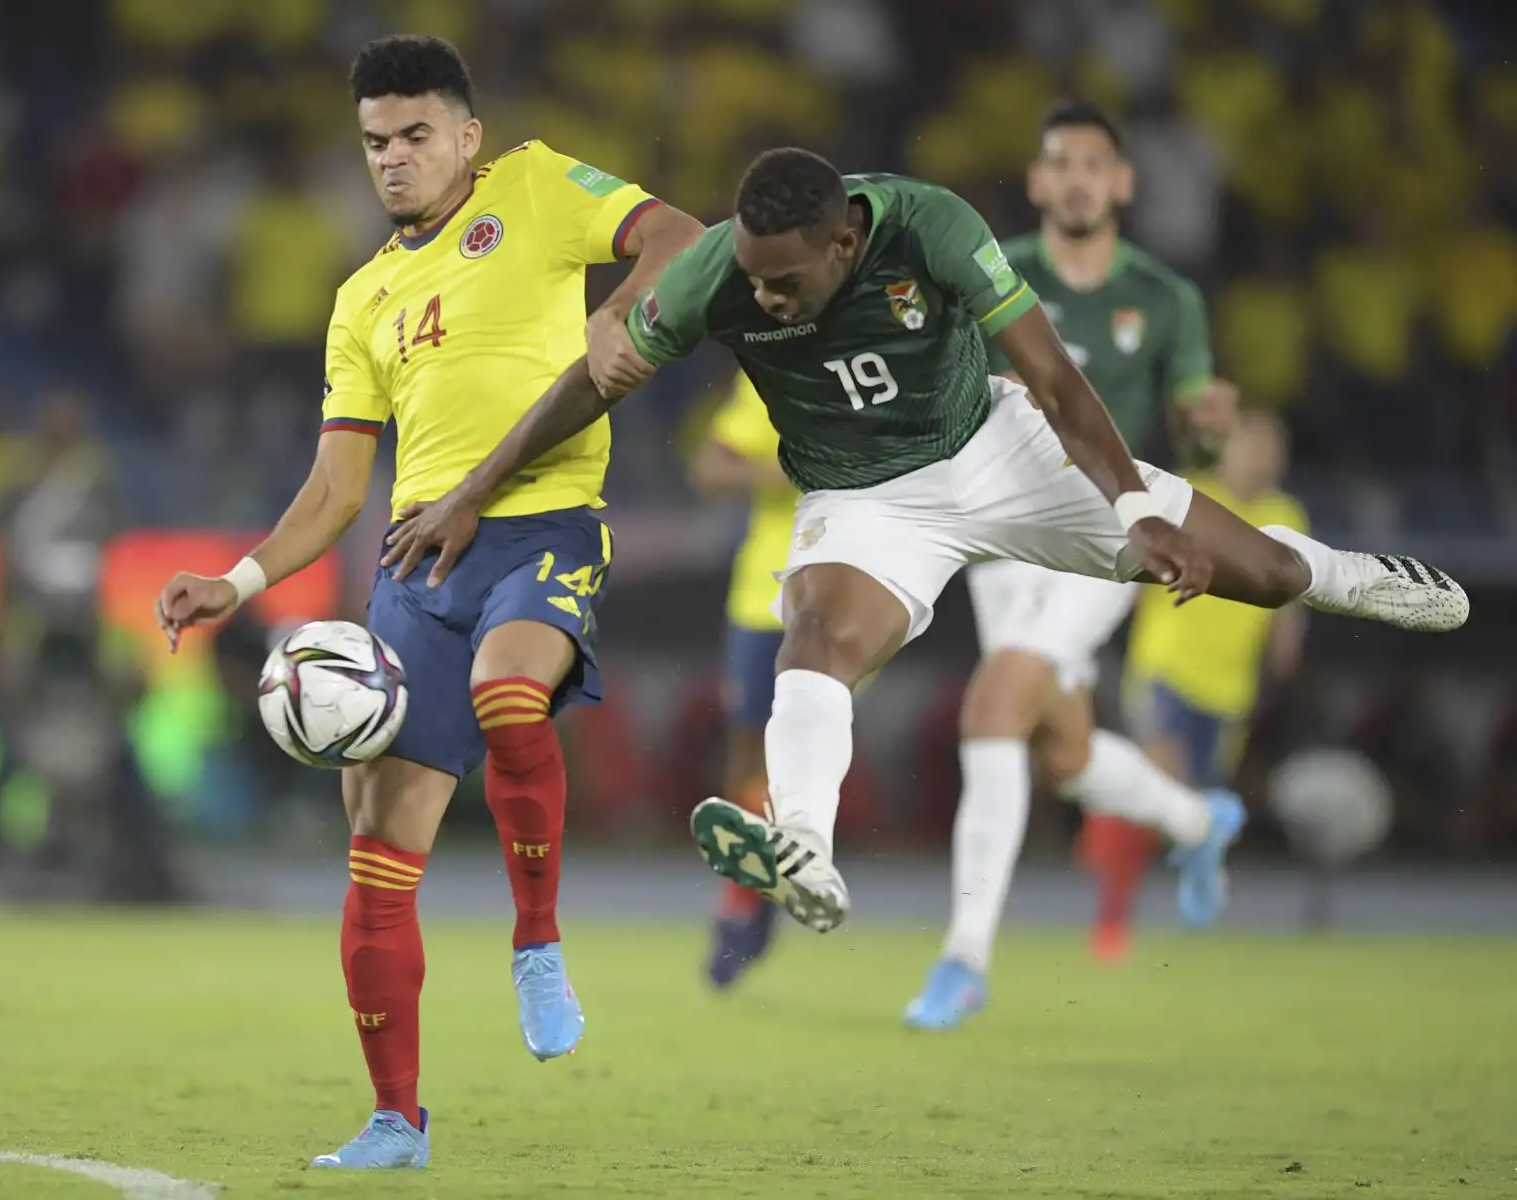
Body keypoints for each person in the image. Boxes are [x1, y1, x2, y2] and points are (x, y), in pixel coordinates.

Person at [382, 146, 1467, 985]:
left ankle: (1355, 577)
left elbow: (1050, 375)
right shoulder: (718, 272)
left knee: (1267, 575)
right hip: (863, 500)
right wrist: (471, 495)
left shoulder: (932, 225)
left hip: (1002, 452)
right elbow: (585, 384)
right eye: (750, 283)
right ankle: (802, 841)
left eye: (784, 282)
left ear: (846, 245)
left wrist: (1132, 505)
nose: (760, 300)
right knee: (818, 638)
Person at [152, 36, 703, 1170]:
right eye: (373, 144)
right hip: (417, 566)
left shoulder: (540, 185)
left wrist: (628, 315)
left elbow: (680, 239)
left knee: (512, 692)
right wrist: (242, 580)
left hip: (545, 526)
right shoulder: (363, 299)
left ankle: (537, 941)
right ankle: (397, 1120)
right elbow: (337, 489)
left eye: (413, 136)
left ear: (466, 134)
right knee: (377, 845)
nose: (393, 160)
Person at [919, 100, 1242, 1027]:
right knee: (1058, 750)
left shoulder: (1167, 298)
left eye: (1093, 165)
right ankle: (1197, 821)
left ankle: (963, 957)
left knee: (995, 703)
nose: (1076, 179)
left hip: (1102, 539)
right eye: (1060, 163)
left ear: (1123, 185)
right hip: (997, 537)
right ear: (1037, 181)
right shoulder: (995, 272)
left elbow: (1196, 439)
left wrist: (1207, 431)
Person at [1092, 409, 1309, 951]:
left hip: (1229, 688)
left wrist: (1287, 642)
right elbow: (1140, 575)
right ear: (1226, 450)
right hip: (1166, 669)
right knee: (1160, 789)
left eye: (1270, 447)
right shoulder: (1192, 497)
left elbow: (1289, 595)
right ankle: (1113, 923)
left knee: (1191, 807)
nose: (1261, 457)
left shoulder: (1286, 513)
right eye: (1250, 444)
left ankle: (1193, 880)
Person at [689, 373, 800, 987]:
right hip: (762, 592)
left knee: (799, 754)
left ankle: (762, 887)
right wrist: (792, 471)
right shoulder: (767, 373)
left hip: (846, 589)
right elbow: (710, 467)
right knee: (747, 759)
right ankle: (746, 895)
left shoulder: (874, 362)